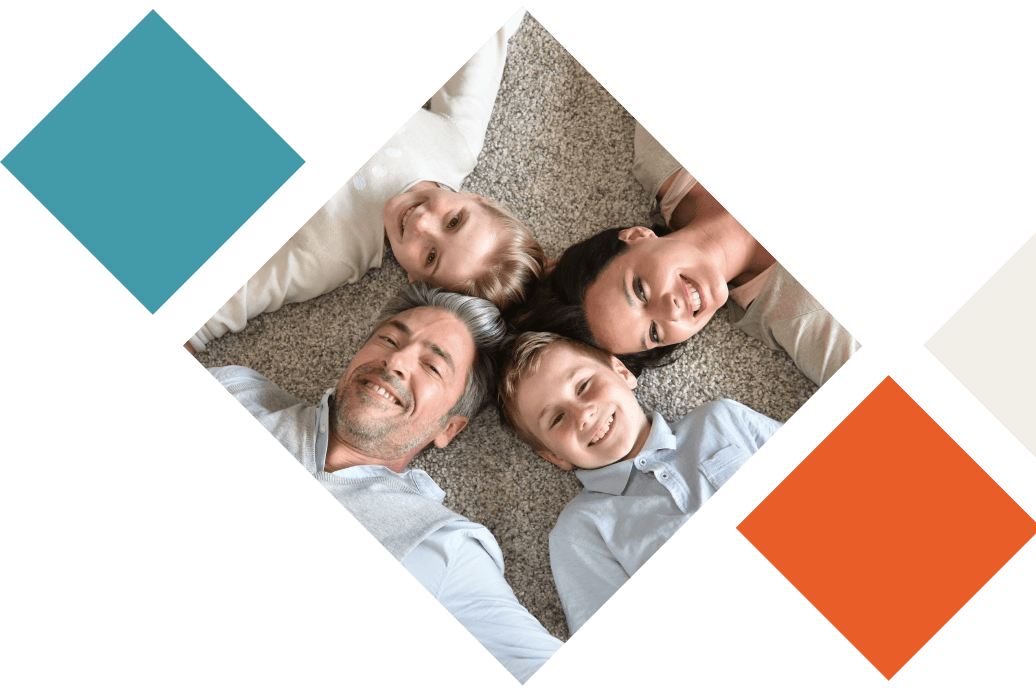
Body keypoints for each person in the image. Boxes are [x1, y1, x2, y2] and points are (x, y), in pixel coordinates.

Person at [209, 283, 562, 683]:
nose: (396, 360)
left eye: (432, 366)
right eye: (389, 339)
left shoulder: (442, 547)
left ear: (449, 427)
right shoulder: (235, 390)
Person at [187, 8, 543, 354]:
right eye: (454, 221)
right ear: (480, 200)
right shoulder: (456, 147)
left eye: (431, 255)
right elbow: (487, 46)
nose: (422, 222)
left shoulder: (338, 255)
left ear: (416, 280)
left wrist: (197, 331)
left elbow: (247, 294)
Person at [533, 121, 860, 386]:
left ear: (637, 236)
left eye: (640, 290)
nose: (671, 311)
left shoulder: (661, 151)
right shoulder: (809, 326)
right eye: (654, 333)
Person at [497, 331, 781, 633]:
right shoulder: (580, 530)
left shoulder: (721, 419)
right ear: (554, 457)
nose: (583, 414)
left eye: (583, 386)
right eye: (556, 419)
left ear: (622, 371)